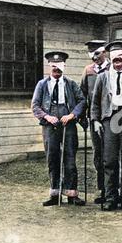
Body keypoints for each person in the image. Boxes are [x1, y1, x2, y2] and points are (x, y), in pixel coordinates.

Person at [32, 51, 86, 206]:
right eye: (53, 66)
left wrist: (72, 115)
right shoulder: (42, 85)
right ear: (49, 66)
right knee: (52, 159)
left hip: (68, 126)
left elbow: (82, 101)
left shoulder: (71, 84)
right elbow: (35, 106)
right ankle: (54, 194)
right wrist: (47, 117)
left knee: (70, 159)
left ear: (64, 66)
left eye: (59, 66)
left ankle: (71, 194)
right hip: (50, 126)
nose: (56, 69)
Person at [91, 41, 122, 211]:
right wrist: (96, 120)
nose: (118, 63)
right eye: (115, 60)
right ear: (110, 60)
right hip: (109, 120)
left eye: (121, 60)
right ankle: (110, 197)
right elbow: (95, 101)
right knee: (109, 160)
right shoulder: (103, 77)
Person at [80, 40, 110, 205]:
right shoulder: (88, 71)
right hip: (94, 118)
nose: (94, 58)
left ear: (104, 52)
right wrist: (83, 116)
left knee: (112, 155)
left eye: (97, 54)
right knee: (98, 154)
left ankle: (114, 189)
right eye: (91, 55)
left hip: (112, 118)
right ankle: (102, 189)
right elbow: (83, 94)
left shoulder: (113, 67)